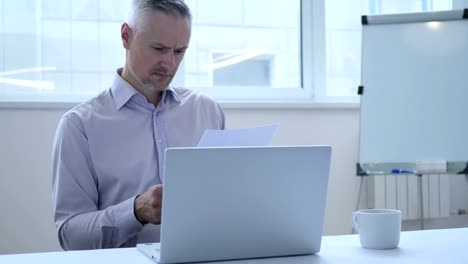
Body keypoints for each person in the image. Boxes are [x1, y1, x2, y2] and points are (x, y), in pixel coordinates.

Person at [52, 0, 225, 250]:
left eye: (179, 52)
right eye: (158, 49)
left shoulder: (208, 111)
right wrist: (135, 211)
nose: (170, 64)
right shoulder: (79, 126)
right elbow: (71, 237)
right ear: (126, 36)